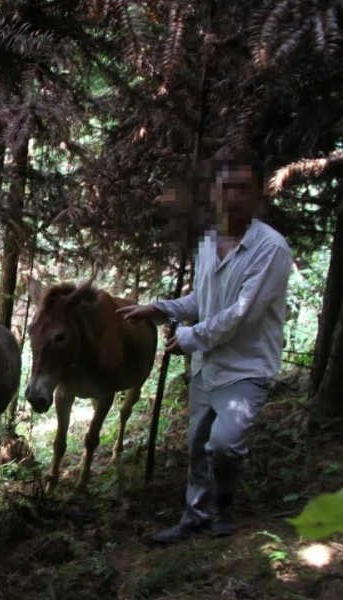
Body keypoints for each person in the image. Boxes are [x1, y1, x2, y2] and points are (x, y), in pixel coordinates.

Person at [117, 151, 293, 543]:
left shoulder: (271, 249)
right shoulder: (210, 241)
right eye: (225, 188)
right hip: (207, 368)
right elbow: (203, 300)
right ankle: (194, 516)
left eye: (242, 189)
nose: (232, 197)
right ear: (214, 194)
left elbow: (239, 315)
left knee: (225, 445)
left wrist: (187, 339)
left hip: (246, 369)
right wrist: (159, 309)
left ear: (257, 196)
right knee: (198, 446)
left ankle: (223, 504)